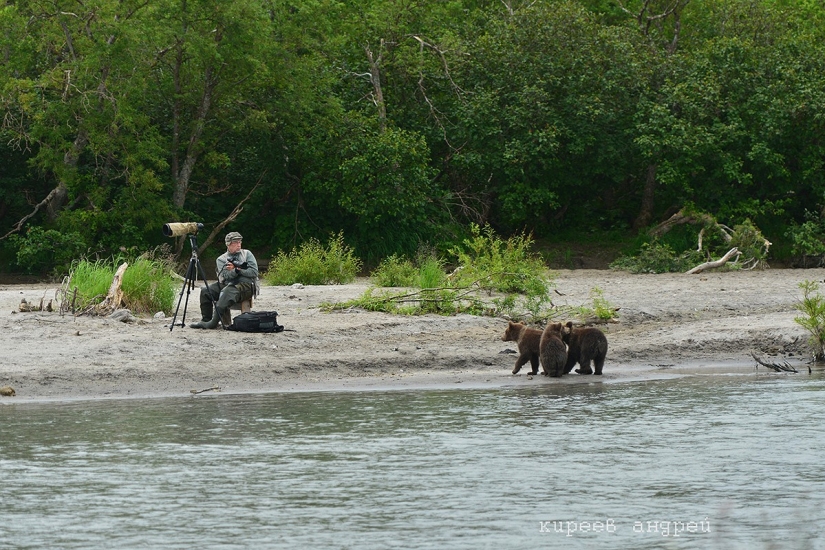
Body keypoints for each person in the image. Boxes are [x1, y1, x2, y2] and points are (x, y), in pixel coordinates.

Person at [190, 231, 259, 329]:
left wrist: (238, 270)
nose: (239, 244)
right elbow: (226, 276)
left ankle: (212, 323)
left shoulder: (247, 254)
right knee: (206, 291)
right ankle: (206, 320)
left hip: (246, 285)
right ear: (228, 244)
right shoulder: (221, 259)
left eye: (240, 242)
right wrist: (234, 271)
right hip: (228, 283)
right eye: (235, 242)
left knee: (227, 292)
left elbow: (254, 272)